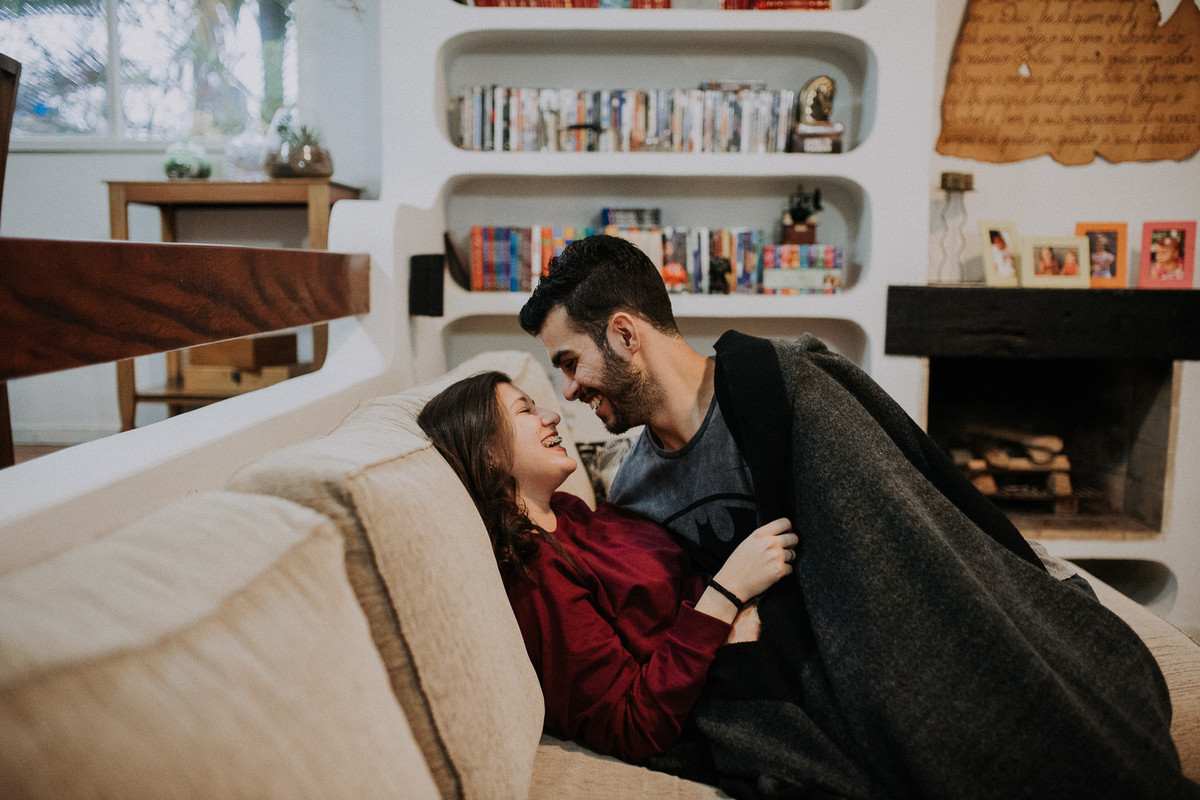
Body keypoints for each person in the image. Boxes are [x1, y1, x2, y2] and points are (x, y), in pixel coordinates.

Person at [516, 233, 1198, 799]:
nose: (570, 391)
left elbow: (909, 532)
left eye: (572, 363)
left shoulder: (793, 386)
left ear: (625, 333)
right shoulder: (636, 495)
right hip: (808, 683)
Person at [417, 370, 799, 768]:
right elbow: (632, 725)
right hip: (723, 685)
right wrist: (727, 594)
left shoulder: (566, 512)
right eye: (525, 410)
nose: (551, 415)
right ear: (488, 452)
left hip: (752, 617)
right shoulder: (535, 572)